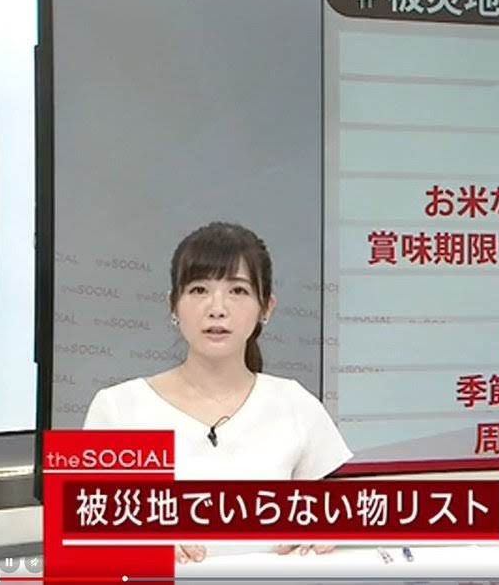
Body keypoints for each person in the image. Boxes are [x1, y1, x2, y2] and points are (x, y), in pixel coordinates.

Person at [84, 222, 353, 563]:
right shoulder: (118, 408)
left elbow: (331, 515)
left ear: (266, 308)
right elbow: (79, 541)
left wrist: (324, 528)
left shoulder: (295, 404)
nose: (217, 308)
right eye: (199, 289)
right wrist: (133, 543)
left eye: (238, 291)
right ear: (173, 305)